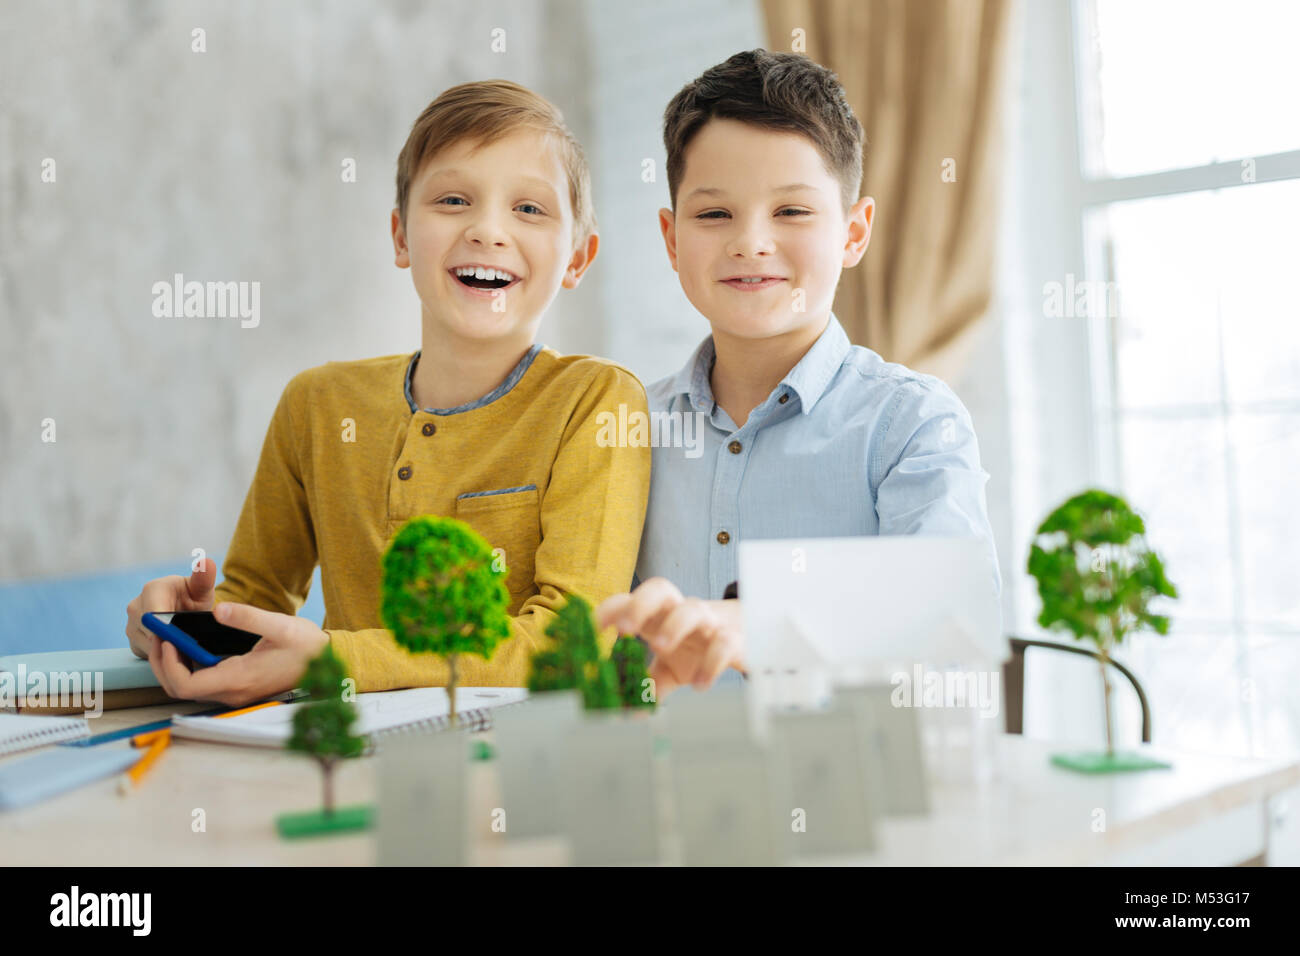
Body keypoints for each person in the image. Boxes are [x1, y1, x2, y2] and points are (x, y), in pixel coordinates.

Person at [126, 80, 650, 707]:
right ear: (401, 237)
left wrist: (335, 658)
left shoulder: (598, 403)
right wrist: (185, 626)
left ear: (577, 258)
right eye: (453, 199)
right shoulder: (316, 404)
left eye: (529, 209)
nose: (487, 230)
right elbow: (253, 605)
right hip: (337, 757)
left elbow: (569, 642)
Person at [596, 50, 1000, 697]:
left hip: (852, 790)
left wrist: (764, 619)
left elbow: (953, 627)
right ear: (671, 239)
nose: (751, 242)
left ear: (854, 231)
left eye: (792, 212)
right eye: (713, 214)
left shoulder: (910, 423)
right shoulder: (625, 430)